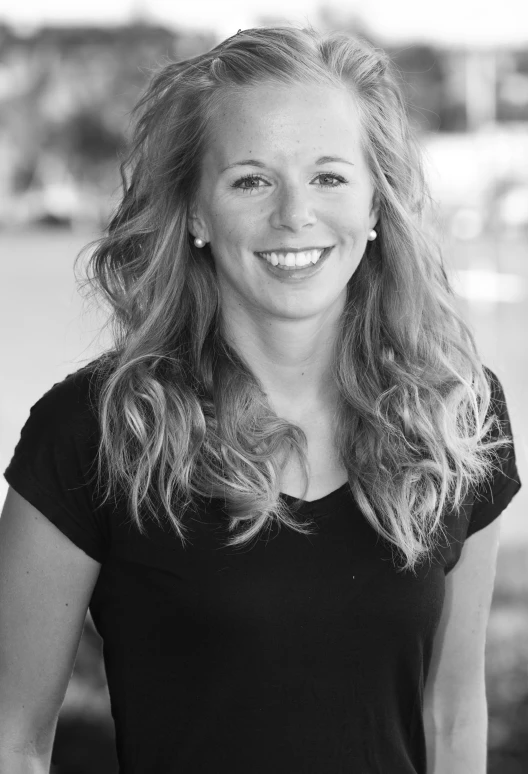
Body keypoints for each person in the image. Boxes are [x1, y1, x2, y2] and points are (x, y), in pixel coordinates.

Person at [0, 25, 522, 774]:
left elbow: (452, 714)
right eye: (251, 180)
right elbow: (13, 742)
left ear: (377, 204)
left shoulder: (457, 418)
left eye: (329, 177)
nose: (294, 215)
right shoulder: (93, 432)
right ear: (195, 214)